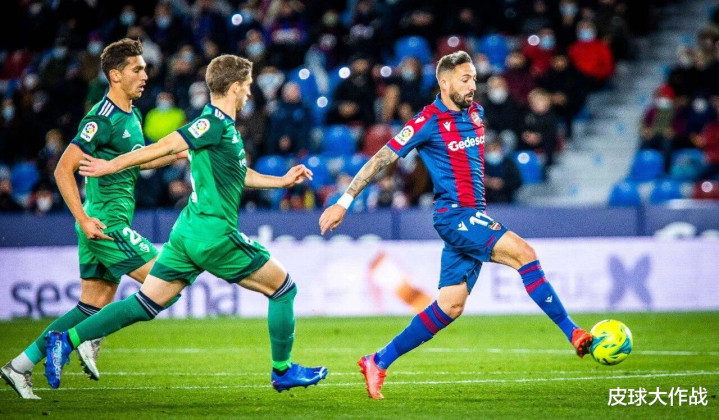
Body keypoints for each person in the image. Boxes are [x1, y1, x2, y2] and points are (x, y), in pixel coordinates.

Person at [319, 51, 593, 400]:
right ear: (444, 82)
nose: (472, 86)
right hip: (455, 215)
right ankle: (573, 332)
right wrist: (344, 201)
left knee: (450, 305)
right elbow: (381, 159)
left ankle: (377, 360)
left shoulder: (476, 113)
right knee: (525, 254)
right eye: (465, 79)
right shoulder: (427, 121)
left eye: (474, 79)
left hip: (472, 214)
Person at [45, 54, 328, 393]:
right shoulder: (211, 123)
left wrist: (281, 181)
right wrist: (113, 165)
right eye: (247, 86)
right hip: (213, 233)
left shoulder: (223, 128)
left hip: (187, 233)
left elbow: (239, 175)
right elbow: (166, 145)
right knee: (283, 288)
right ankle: (282, 370)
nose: (249, 92)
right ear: (235, 87)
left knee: (146, 303)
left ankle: (66, 339)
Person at [1, 39, 185, 400]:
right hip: (105, 224)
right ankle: (87, 337)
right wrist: (84, 219)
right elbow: (62, 169)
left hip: (104, 223)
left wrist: (177, 154)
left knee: (92, 304)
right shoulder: (101, 118)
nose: (145, 75)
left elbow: (137, 160)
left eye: (145, 68)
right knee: (169, 280)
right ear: (115, 75)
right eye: (137, 69)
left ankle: (19, 366)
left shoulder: (131, 115)